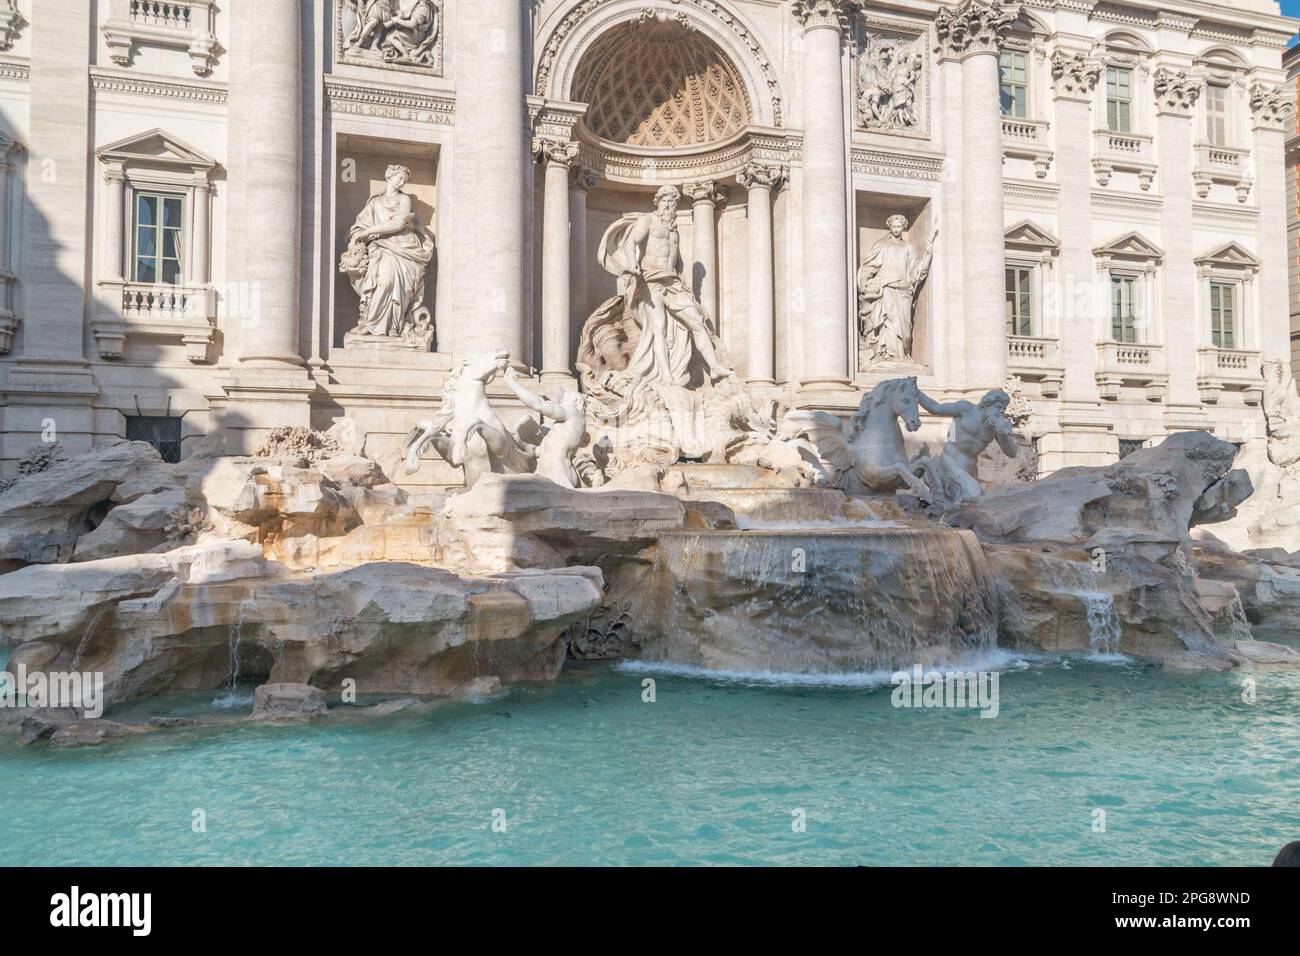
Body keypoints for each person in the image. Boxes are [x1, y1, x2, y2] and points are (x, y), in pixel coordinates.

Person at [598, 185, 734, 386]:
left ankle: (713, 367)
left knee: (696, 322)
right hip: (651, 281)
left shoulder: (674, 232)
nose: (669, 205)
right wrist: (632, 262)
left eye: (673, 201)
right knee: (658, 328)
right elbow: (631, 242)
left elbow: (677, 262)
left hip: (672, 283)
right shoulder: (648, 220)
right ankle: (666, 376)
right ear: (658, 202)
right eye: (665, 200)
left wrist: (682, 281)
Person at [341, 164, 435, 339]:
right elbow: (359, 226)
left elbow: (399, 224)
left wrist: (368, 232)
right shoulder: (374, 203)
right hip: (380, 249)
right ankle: (371, 324)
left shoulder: (404, 200)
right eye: (399, 178)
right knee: (383, 283)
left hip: (404, 249)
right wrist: (358, 235)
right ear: (388, 177)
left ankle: (393, 326)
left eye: (405, 180)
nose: (401, 183)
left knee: (395, 286)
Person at [858, 213, 937, 363]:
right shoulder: (881, 245)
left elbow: (915, 273)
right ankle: (887, 354)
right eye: (894, 226)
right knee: (888, 322)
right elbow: (870, 266)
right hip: (887, 289)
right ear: (889, 226)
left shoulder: (909, 249)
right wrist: (864, 281)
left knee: (905, 328)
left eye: (899, 226)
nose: (896, 229)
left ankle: (901, 354)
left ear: (903, 227)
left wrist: (928, 255)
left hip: (904, 291)